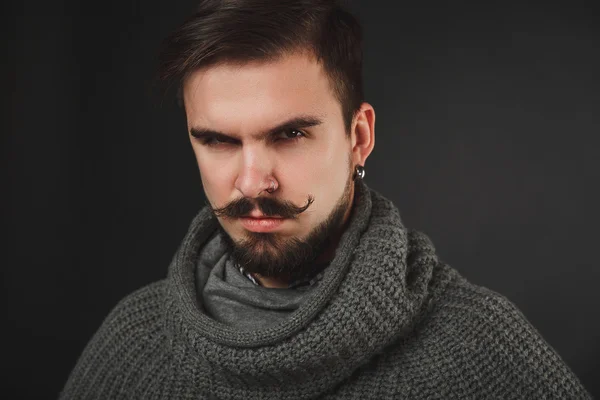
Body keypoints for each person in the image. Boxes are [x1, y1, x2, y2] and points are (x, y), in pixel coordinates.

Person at [60, 0, 592, 398]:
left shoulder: (476, 345)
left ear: (358, 137)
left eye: (289, 135)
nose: (252, 183)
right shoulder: (135, 342)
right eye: (218, 141)